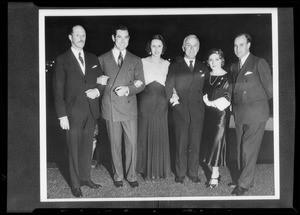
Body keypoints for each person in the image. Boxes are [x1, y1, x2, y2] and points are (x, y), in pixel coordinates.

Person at [53, 25, 105, 197]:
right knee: (74, 149)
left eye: (83, 35)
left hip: (91, 111)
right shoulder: (62, 60)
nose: (81, 38)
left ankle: (85, 178)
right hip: (72, 114)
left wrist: (97, 91)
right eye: (77, 35)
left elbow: (102, 81)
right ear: (70, 37)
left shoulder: (93, 58)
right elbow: (58, 91)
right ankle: (75, 184)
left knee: (86, 147)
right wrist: (62, 116)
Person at [97, 24, 145, 188]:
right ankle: (118, 175)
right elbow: (96, 82)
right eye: (119, 37)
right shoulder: (102, 58)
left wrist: (128, 89)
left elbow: (141, 84)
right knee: (114, 144)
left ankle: (132, 176)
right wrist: (98, 82)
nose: (123, 40)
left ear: (129, 39)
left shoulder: (135, 59)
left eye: (126, 37)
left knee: (132, 143)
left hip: (129, 107)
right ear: (113, 38)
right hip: (110, 108)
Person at [229, 33, 273, 196]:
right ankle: (243, 179)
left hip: (255, 113)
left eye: (241, 45)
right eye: (235, 45)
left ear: (248, 45)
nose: (237, 48)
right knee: (241, 149)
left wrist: (255, 102)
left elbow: (270, 89)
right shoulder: (235, 66)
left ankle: (243, 185)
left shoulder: (258, 62)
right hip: (240, 114)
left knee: (248, 149)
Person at [165, 34, 209, 184]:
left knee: (195, 143)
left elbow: (208, 89)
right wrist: (174, 103)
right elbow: (168, 87)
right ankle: (180, 173)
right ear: (183, 47)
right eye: (188, 45)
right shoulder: (175, 66)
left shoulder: (204, 68)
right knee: (181, 143)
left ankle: (193, 173)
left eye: (195, 45)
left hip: (198, 111)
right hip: (180, 110)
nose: (192, 48)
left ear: (198, 48)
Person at [136, 34, 172, 180]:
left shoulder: (167, 64)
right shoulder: (142, 61)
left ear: (163, 48)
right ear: (149, 47)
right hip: (146, 101)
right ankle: (145, 169)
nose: (156, 49)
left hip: (162, 102)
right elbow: (137, 81)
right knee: (145, 132)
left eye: (159, 46)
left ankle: (160, 169)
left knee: (160, 132)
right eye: (153, 46)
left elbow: (171, 84)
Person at [201, 48, 231, 188]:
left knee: (217, 142)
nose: (214, 62)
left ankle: (215, 174)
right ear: (208, 62)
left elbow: (227, 97)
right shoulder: (207, 76)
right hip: (208, 115)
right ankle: (215, 171)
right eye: (211, 60)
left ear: (221, 60)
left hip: (221, 114)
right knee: (209, 141)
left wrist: (211, 103)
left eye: (216, 59)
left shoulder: (227, 76)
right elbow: (202, 92)